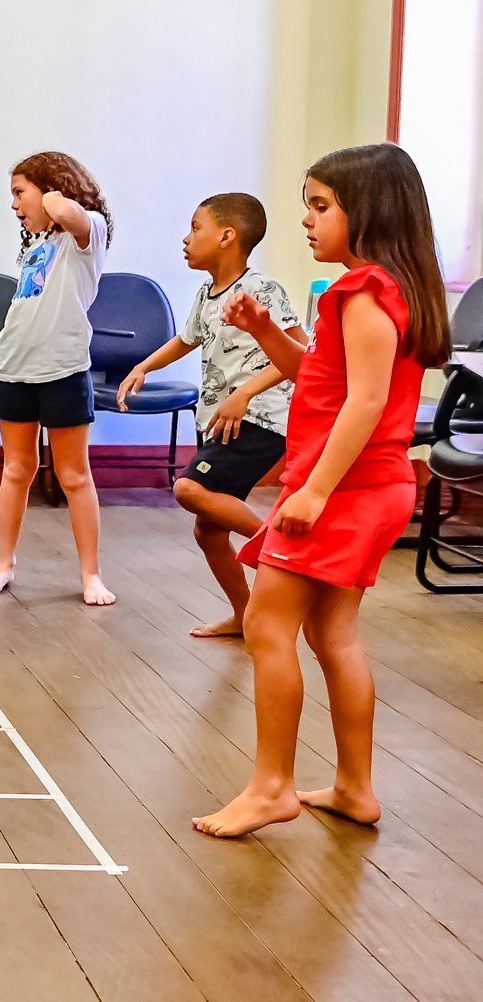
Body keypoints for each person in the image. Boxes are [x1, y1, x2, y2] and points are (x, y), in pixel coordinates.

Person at [193, 142, 450, 838]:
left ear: (367, 212)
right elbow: (322, 380)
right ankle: (354, 789)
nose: (307, 220)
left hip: (346, 487)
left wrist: (313, 492)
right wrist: (266, 332)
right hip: (375, 485)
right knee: (333, 631)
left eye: (320, 206)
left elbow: (363, 403)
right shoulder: (387, 287)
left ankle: (272, 787)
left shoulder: (361, 289)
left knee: (268, 625)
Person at [119, 194, 307, 637]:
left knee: (188, 488)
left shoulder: (263, 290)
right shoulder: (207, 293)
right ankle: (245, 616)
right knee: (209, 532)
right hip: (220, 420)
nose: (186, 239)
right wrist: (143, 366)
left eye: (195, 227)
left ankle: (282, 555)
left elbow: (302, 355)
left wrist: (245, 392)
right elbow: (186, 340)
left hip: (262, 417)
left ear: (227, 236)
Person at [0, 151, 115, 606]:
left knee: (74, 475)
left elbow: (69, 212)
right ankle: (4, 564)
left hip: (62, 370)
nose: (15, 205)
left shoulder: (86, 233)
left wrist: (52, 193)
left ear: (51, 188)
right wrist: (38, 200)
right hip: (14, 367)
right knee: (17, 469)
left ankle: (91, 575)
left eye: (20, 193)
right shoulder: (38, 245)